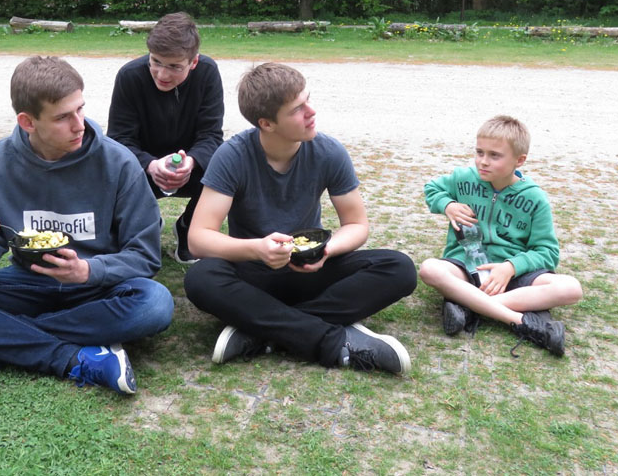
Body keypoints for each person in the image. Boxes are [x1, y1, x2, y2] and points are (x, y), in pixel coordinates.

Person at [0, 56, 173, 394]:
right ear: (28, 122)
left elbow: (145, 256)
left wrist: (88, 271)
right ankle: (72, 358)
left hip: (97, 290)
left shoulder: (118, 161)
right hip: (26, 285)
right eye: (62, 117)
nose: (79, 125)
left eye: (80, 109)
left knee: (154, 304)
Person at [184, 62, 416, 374]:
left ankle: (259, 329)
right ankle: (331, 340)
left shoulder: (328, 152)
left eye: (308, 99)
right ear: (267, 123)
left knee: (399, 268)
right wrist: (258, 249)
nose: (311, 112)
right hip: (254, 275)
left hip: (310, 272)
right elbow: (198, 238)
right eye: (297, 109)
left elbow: (356, 225)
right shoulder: (233, 156)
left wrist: (327, 251)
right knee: (201, 278)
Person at [419, 115, 583, 356]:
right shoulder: (463, 178)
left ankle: (468, 307)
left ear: (520, 160)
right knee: (429, 269)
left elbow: (548, 253)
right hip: (466, 267)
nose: (483, 162)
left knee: (571, 288)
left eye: (495, 155)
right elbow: (432, 188)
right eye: (479, 152)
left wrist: (511, 267)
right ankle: (521, 320)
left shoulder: (535, 198)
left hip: (512, 276)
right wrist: (447, 205)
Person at [107, 12, 224, 264]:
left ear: (193, 62)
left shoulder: (207, 73)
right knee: (105, 167)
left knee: (230, 167)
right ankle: (146, 220)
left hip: (191, 168)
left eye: (174, 67)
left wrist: (191, 162)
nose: (162, 74)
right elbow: (119, 139)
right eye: (156, 61)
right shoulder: (130, 76)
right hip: (141, 169)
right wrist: (150, 165)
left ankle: (189, 230)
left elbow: (211, 136)